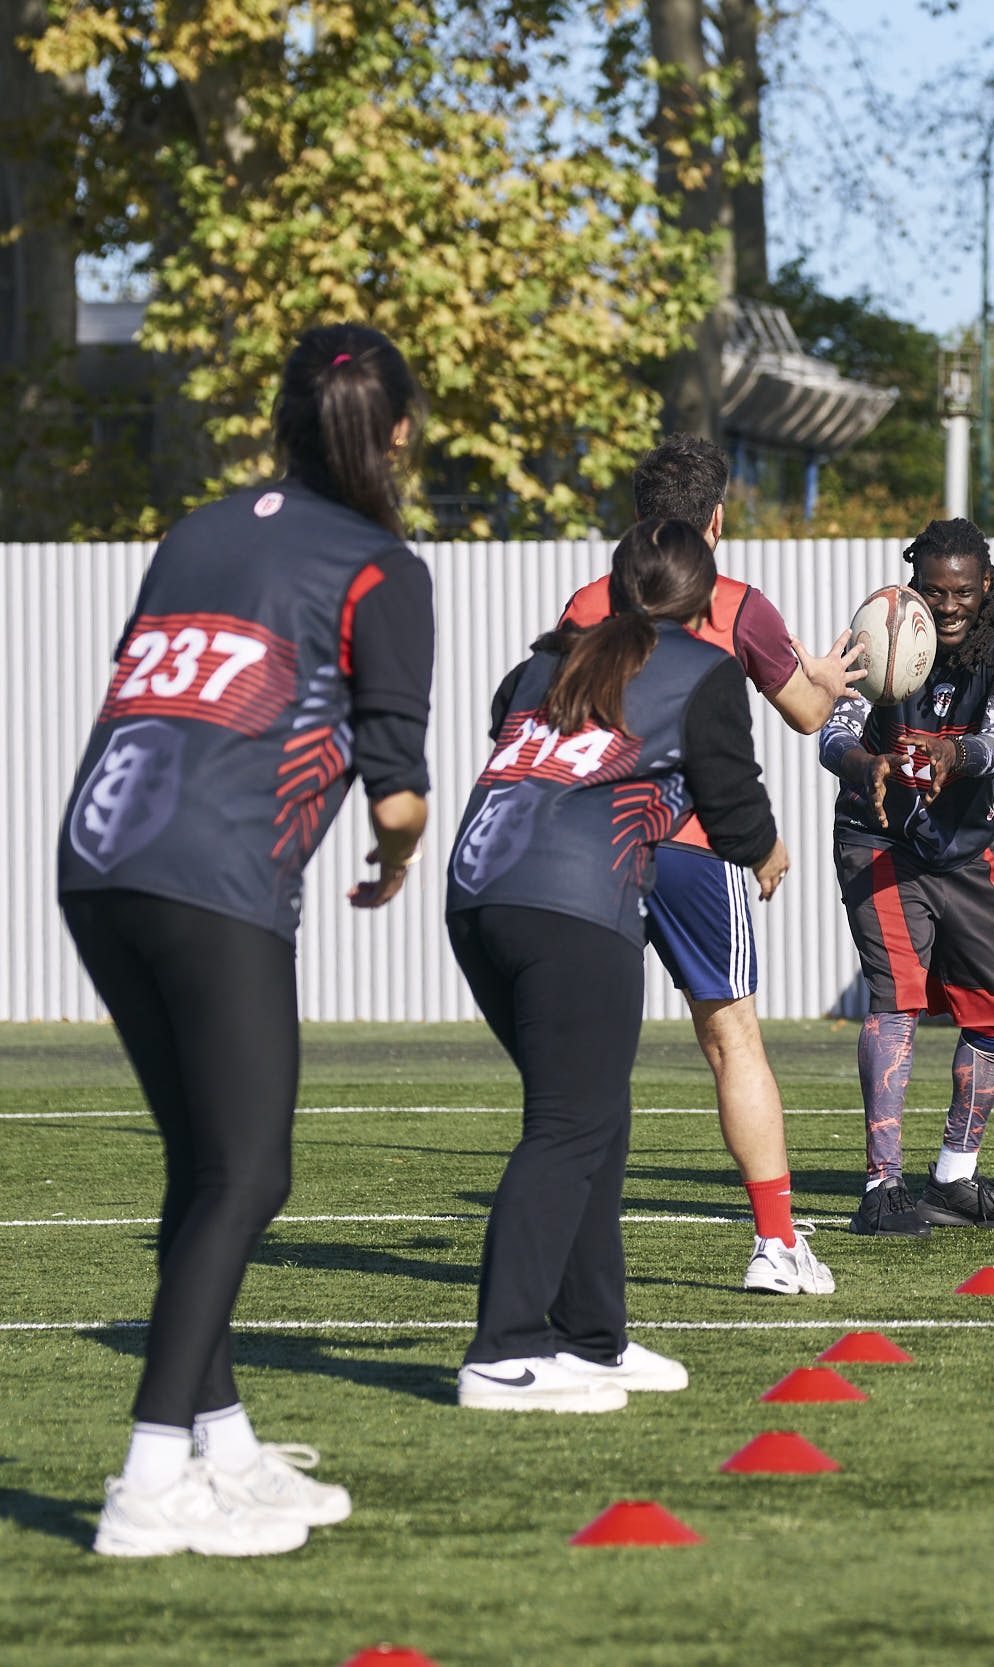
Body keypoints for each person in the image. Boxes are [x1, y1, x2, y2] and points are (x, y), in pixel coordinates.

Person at [59, 323, 432, 1555]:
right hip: (213, 875)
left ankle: (219, 1446)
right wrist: (390, 856)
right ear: (397, 435)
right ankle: (149, 1476)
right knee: (249, 1172)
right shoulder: (382, 562)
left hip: (98, 858)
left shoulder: (198, 528)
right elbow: (396, 785)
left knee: (204, 1165)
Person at [448, 519, 790, 1412]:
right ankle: (504, 1348)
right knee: (568, 1125)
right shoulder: (704, 669)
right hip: (571, 904)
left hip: (478, 891)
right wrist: (766, 850)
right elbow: (731, 796)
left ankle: (593, 1340)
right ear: (709, 599)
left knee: (591, 1115)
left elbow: (509, 731)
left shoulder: (544, 660)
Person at [556, 436, 859, 1297]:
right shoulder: (738, 604)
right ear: (717, 519)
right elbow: (804, 713)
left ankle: (573, 1248)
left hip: (597, 849)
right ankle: (775, 1243)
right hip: (697, 844)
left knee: (587, 1054)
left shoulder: (586, 601)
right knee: (732, 1042)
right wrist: (829, 679)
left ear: (636, 519)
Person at [820, 518, 994, 1236]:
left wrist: (957, 758)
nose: (946, 606)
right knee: (898, 999)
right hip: (879, 840)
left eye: (962, 592)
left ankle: (954, 1176)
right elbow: (834, 733)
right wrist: (869, 766)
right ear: (915, 581)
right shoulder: (875, 629)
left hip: (965, 846)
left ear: (986, 587)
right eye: (934, 590)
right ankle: (881, 1184)